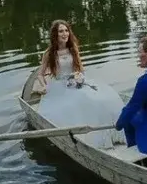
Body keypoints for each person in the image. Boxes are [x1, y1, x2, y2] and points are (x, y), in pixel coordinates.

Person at [34, 20, 126, 150]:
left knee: (106, 98)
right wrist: (43, 85)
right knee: (84, 101)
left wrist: (79, 78)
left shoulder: (73, 49)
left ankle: (111, 133)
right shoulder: (49, 53)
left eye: (66, 30)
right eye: (61, 31)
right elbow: (40, 74)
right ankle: (89, 138)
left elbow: (80, 70)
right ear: (55, 34)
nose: (64, 34)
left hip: (76, 81)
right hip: (59, 86)